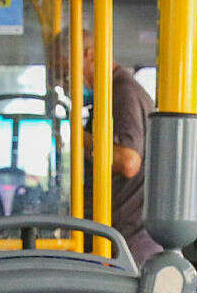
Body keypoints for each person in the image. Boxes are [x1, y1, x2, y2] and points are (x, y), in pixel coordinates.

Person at [59, 31, 160, 265]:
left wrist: (78, 136)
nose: (64, 82)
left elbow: (128, 161)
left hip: (127, 242)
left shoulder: (122, 92)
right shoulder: (110, 93)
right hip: (119, 235)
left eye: (66, 72)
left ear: (91, 55)